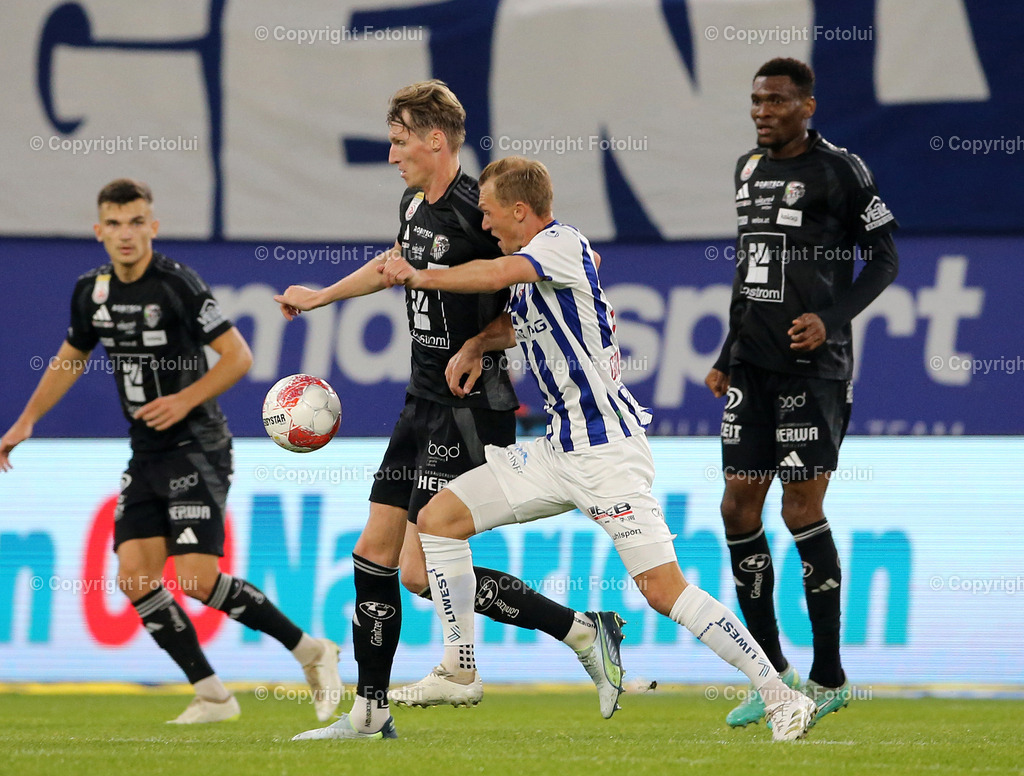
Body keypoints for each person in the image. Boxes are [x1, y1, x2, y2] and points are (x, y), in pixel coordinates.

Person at [379, 155, 818, 742]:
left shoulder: (560, 243)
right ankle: (460, 668)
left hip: (607, 453)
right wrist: (478, 345)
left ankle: (781, 694)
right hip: (558, 449)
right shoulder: (539, 269)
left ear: (519, 210)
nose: (483, 225)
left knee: (664, 590)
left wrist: (420, 275)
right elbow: (516, 321)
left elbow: (489, 276)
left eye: (488, 214)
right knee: (437, 522)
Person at [278, 81, 625, 742]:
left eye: (401, 140)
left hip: (471, 405)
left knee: (416, 569)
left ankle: (576, 630)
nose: (391, 154)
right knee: (372, 557)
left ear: (437, 141)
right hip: (420, 401)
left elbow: (554, 284)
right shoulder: (413, 202)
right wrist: (320, 297)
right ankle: (370, 711)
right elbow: (393, 268)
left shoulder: (477, 210)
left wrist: (476, 342)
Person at [0, 179, 343, 723]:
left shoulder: (176, 285)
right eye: (114, 224)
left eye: (136, 222)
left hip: (197, 447)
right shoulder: (91, 293)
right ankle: (212, 694)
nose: (126, 234)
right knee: (135, 578)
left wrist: (183, 399)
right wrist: (26, 421)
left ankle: (311, 651)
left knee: (195, 578)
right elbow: (69, 357)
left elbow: (238, 356)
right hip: (146, 452)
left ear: (153, 227)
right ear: (99, 232)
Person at [705, 57, 899, 728]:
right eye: (756, 100)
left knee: (798, 507)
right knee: (737, 508)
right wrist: (728, 353)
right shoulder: (748, 169)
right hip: (752, 369)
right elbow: (745, 268)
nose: (762, 111)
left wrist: (832, 318)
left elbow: (886, 257)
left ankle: (830, 675)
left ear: (807, 107)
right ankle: (772, 675)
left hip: (813, 371)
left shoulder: (840, 171)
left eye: (777, 101)